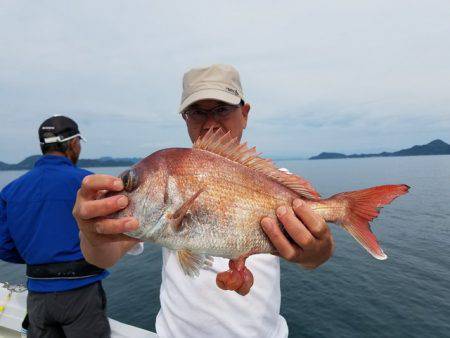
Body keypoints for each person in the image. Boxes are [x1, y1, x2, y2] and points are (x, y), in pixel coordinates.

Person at [73, 64, 334, 337]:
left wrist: (317, 251)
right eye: (197, 112)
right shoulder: (169, 178)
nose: (210, 123)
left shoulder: (278, 183)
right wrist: (93, 234)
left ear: (244, 114)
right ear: (185, 118)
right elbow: (103, 257)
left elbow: (315, 258)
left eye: (222, 109)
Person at [0, 116, 110, 338]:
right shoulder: (89, 183)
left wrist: (39, 256)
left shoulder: (11, 190)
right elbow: (109, 232)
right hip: (82, 293)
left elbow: (3, 246)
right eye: (79, 142)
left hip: (38, 297)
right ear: (72, 143)